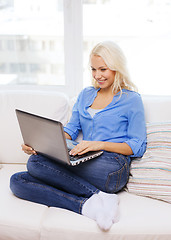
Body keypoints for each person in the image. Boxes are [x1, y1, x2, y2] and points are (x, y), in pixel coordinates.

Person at [10, 41, 147, 231]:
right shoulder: (86, 95)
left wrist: (99, 144)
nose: (97, 75)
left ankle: (97, 197)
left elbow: (138, 145)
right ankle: (91, 203)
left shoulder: (131, 99)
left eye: (103, 69)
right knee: (18, 180)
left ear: (117, 68)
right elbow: (71, 130)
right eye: (93, 69)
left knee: (36, 165)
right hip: (82, 160)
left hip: (113, 165)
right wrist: (42, 143)